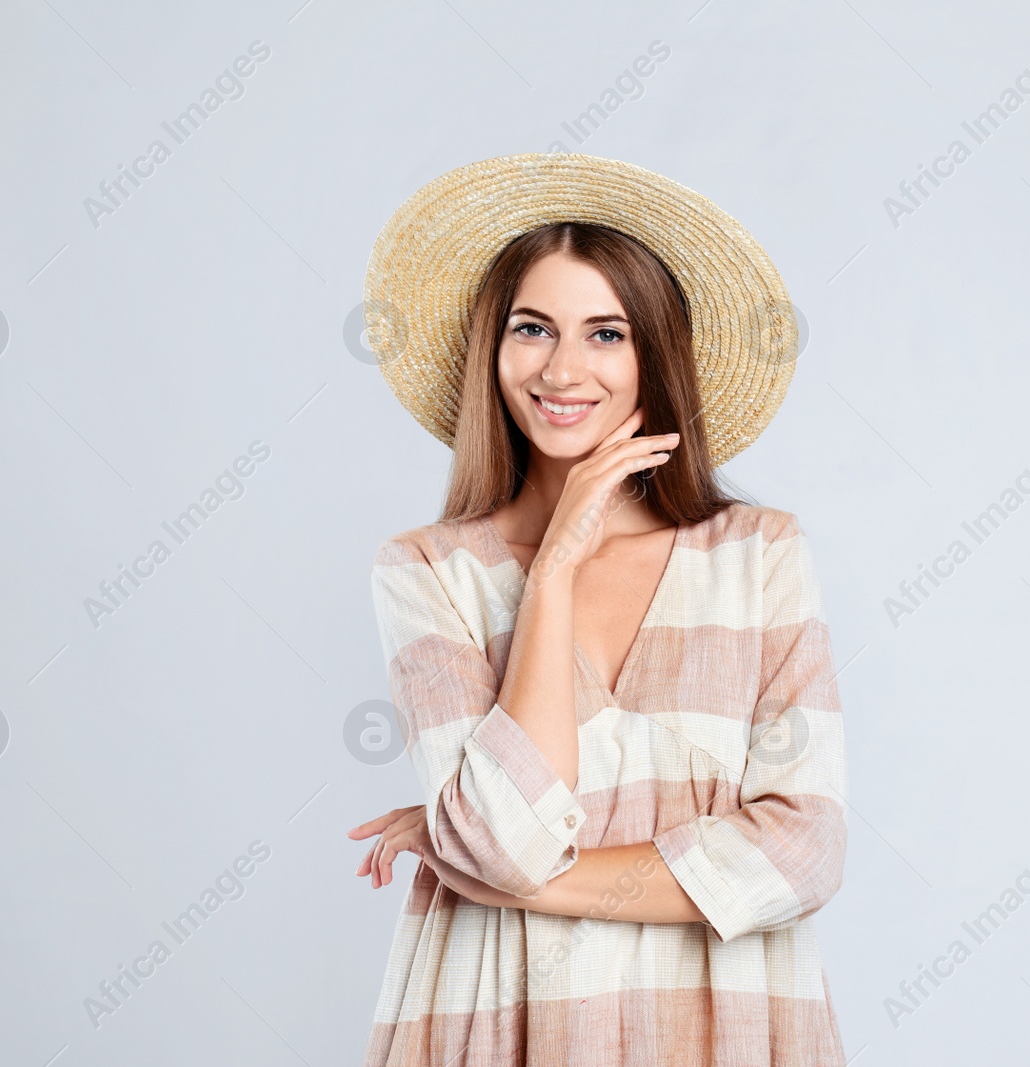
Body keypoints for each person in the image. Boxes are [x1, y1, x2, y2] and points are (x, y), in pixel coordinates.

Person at [347, 153, 849, 1066]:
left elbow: (803, 852)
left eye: (607, 333)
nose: (564, 368)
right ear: (491, 352)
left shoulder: (758, 555)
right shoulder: (427, 571)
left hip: (722, 1029)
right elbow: (502, 843)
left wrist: (486, 867)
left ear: (655, 354)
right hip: (502, 1022)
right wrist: (555, 571)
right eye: (532, 327)